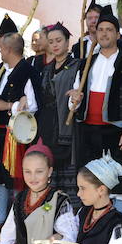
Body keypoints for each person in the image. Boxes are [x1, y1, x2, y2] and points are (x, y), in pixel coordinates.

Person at [68, 4, 122, 215]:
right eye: (100, 29)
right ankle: (94, 226)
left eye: (109, 29)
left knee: (118, 183)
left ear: (117, 34)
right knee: (92, 181)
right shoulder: (88, 62)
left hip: (116, 131)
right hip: (89, 132)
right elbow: (77, 97)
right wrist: (74, 99)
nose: (104, 33)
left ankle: (118, 224)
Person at [0, 31, 42, 224]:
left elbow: (33, 104)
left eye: (1, 48)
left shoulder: (27, 71)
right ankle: (1, 218)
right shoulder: (1, 70)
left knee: (16, 175)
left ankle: (19, 217)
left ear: (8, 49)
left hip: (14, 133)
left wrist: (9, 106)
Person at [36, 22, 82, 204]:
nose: (55, 45)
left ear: (67, 42)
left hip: (67, 125)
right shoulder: (46, 69)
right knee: (51, 172)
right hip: (47, 126)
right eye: (51, 41)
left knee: (68, 172)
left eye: (59, 41)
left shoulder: (78, 66)